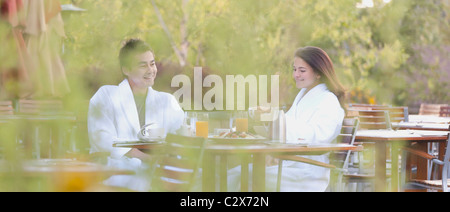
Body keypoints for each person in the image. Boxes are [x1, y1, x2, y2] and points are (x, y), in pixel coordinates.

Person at [228, 46, 345, 192]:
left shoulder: (328, 101)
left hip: (308, 172)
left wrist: (275, 116)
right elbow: (284, 126)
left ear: (318, 73)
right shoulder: (302, 95)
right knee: (234, 173)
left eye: (302, 71)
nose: (296, 75)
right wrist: (266, 118)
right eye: (294, 69)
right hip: (290, 164)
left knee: (244, 176)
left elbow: (318, 136)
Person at [87, 38, 184, 191]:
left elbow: (183, 133)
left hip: (159, 168)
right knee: (139, 181)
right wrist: (143, 157)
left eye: (152, 64)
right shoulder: (106, 95)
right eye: (142, 65)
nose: (150, 70)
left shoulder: (167, 101)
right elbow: (102, 138)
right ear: (126, 69)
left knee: (207, 177)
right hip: (118, 169)